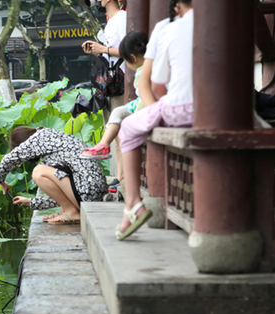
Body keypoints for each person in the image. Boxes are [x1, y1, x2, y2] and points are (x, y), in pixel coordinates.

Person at [116, 0, 194, 241]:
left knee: (127, 127)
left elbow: (156, 83)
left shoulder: (167, 27)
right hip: (233, 107)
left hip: (184, 109)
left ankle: (133, 203)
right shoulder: (229, 19)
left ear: (177, 7)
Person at [0, 126, 108, 225]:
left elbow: (8, 159)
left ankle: (71, 211)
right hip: (93, 193)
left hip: (88, 191)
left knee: (38, 172)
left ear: (23, 144)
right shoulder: (52, 138)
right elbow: (63, 196)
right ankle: (67, 210)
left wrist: (1, 181)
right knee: (45, 171)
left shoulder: (39, 138)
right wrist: (31, 202)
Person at [80, 31, 149, 160]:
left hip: (145, 106)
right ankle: (103, 145)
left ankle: (103, 145)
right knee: (118, 112)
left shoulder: (144, 72)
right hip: (142, 103)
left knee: (124, 124)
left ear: (133, 58)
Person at [82, 0, 128, 180]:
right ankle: (120, 177)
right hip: (110, 84)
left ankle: (123, 178)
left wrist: (104, 49)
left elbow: (128, 50)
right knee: (114, 132)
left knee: (120, 132)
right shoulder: (110, 22)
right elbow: (110, 53)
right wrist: (98, 51)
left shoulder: (122, 18)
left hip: (121, 82)